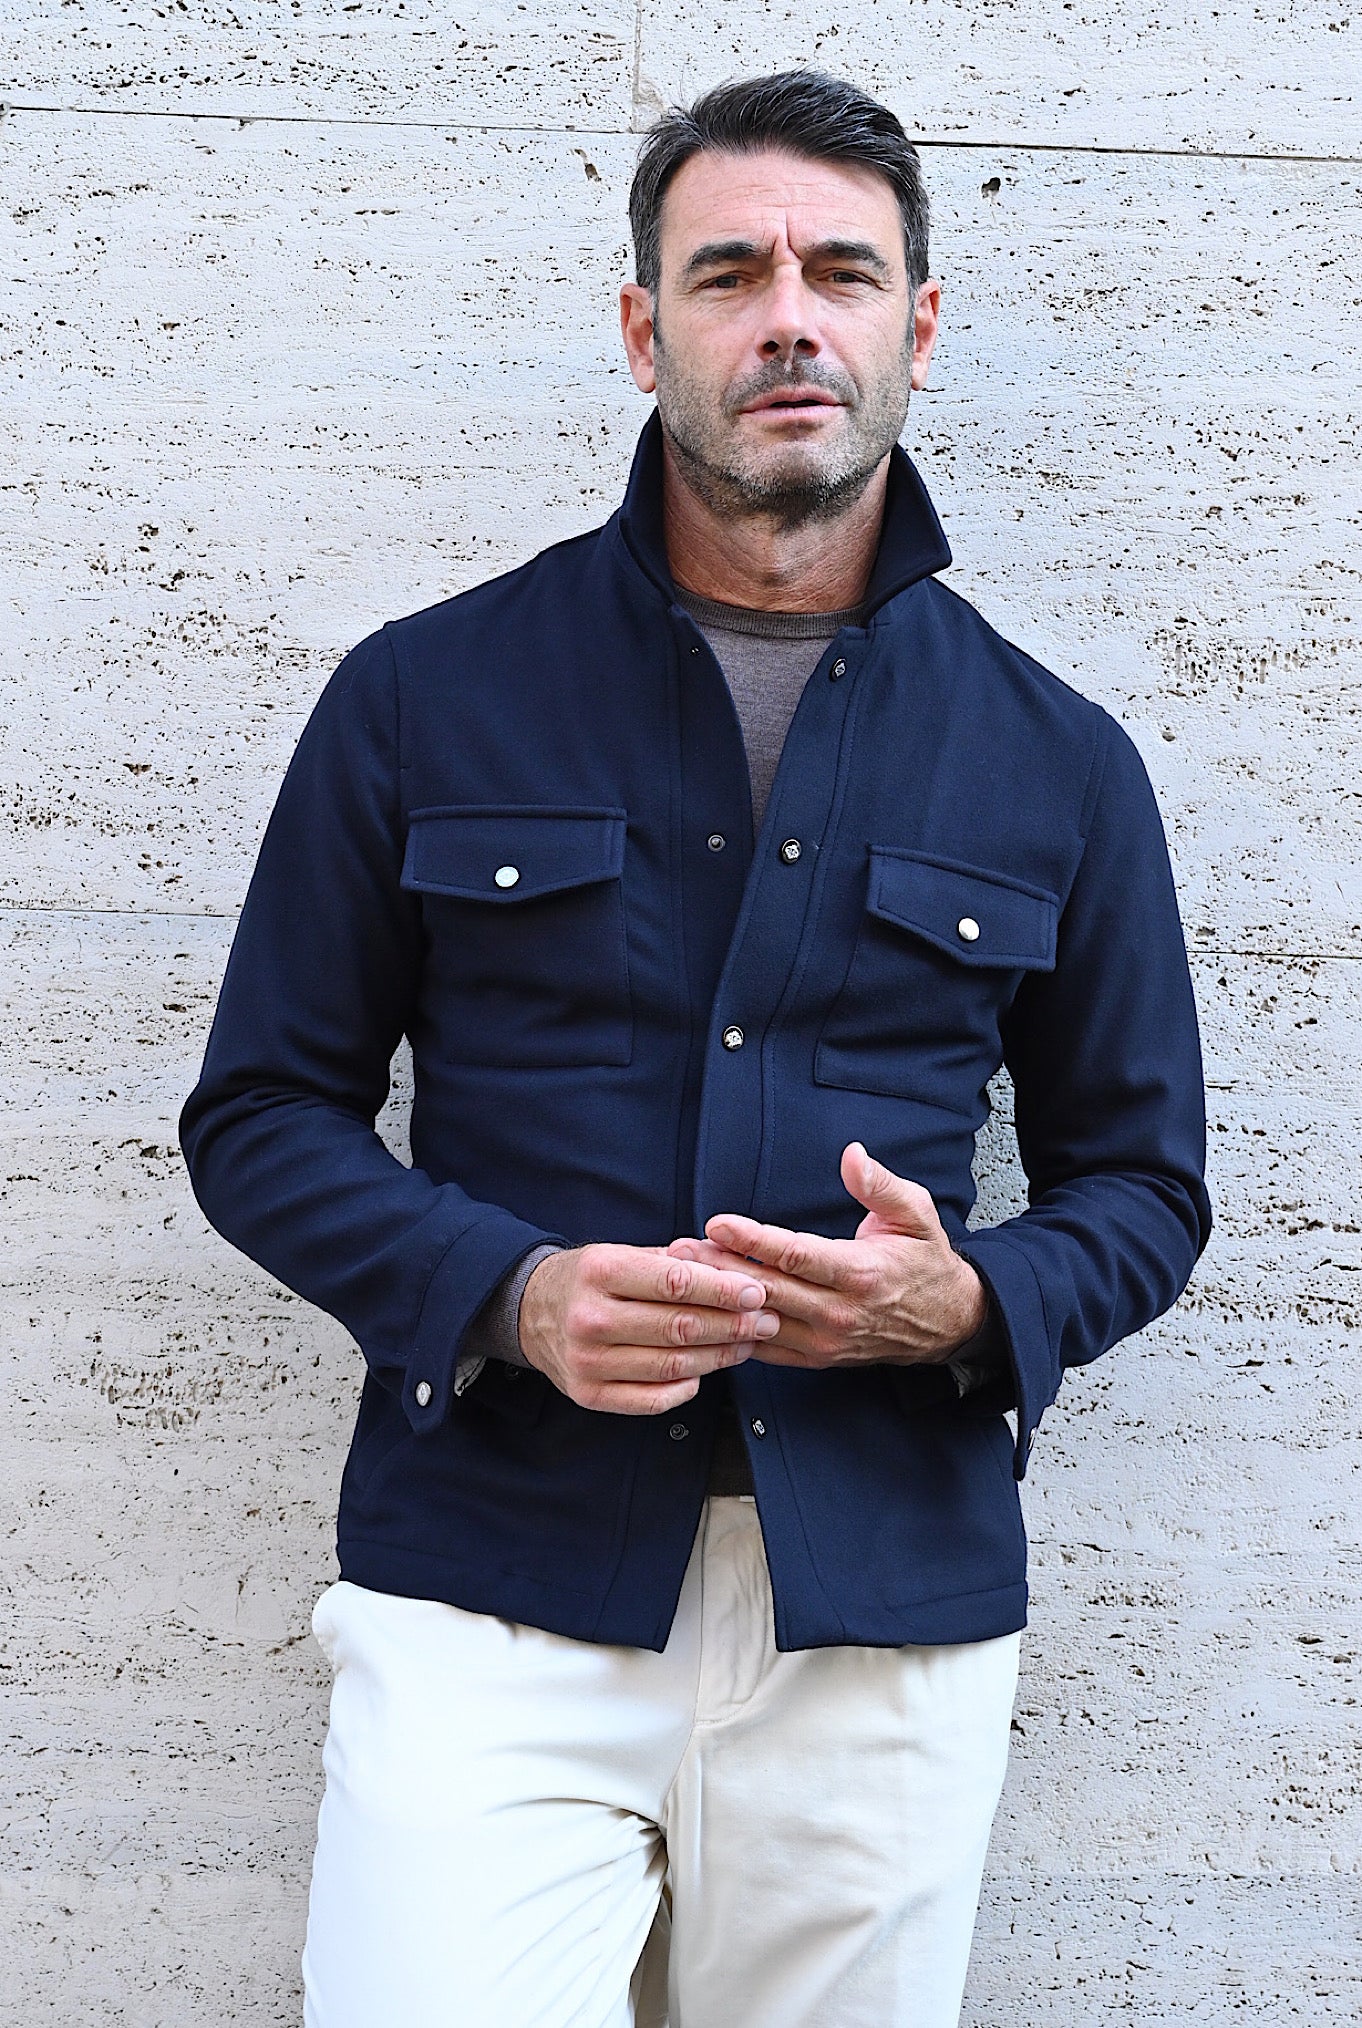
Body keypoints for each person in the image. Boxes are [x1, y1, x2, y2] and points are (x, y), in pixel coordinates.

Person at [180, 69, 1211, 2028]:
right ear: (647, 330)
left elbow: (1146, 1188)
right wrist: (508, 1294)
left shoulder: (1062, 762)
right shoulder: (420, 697)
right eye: (730, 273)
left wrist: (964, 1303)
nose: (788, 317)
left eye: (842, 273)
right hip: (493, 1582)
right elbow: (260, 1114)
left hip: (879, 1617)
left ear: (918, 326)